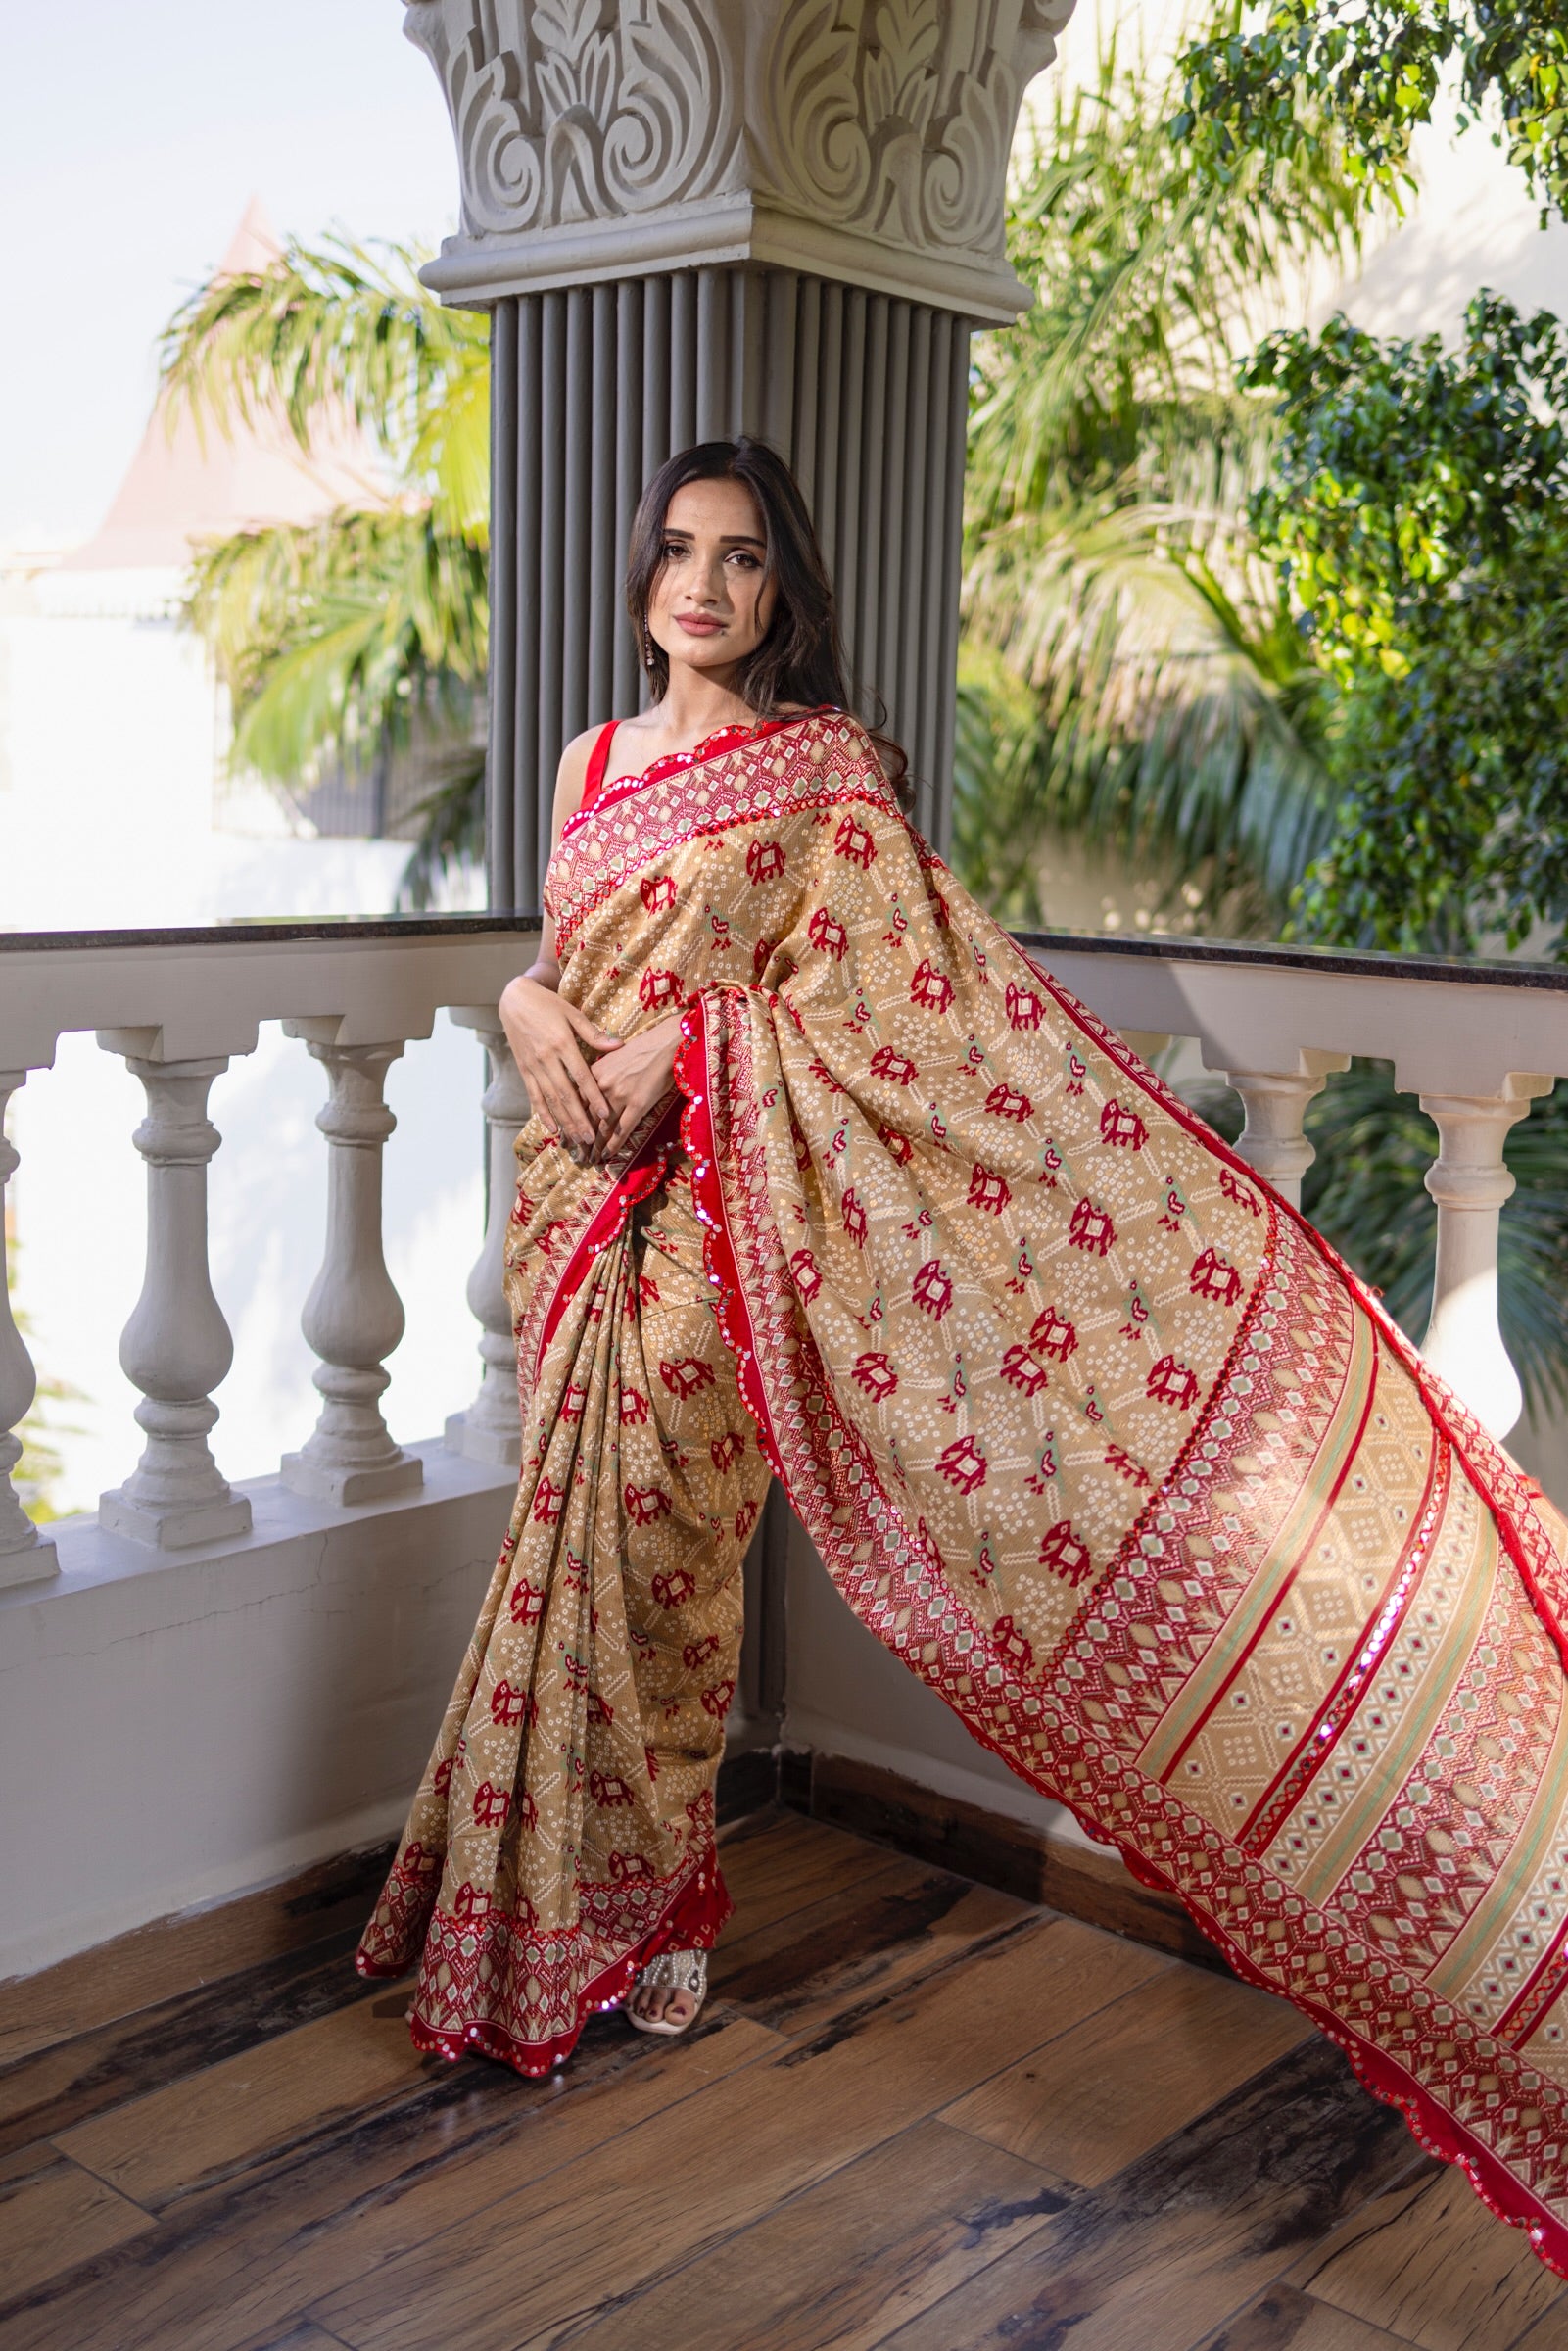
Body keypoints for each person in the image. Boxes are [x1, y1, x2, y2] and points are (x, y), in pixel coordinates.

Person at [360, 437, 1568, 2274]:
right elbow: (556, 960)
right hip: (569, 1213)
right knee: (554, 1556)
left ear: (784, 590)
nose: (703, 585)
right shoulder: (590, 764)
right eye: (678, 552)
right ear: (640, 576)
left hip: (715, 1227)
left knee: (659, 1571)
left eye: (741, 557)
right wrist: (535, 1003)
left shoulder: (824, 778)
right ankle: (543, 1911)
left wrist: (690, 1056)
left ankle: (641, 1905)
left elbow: (884, 1019)